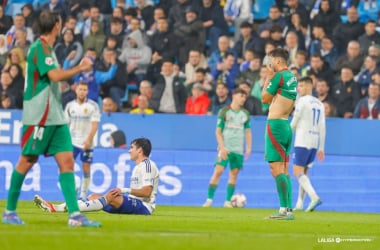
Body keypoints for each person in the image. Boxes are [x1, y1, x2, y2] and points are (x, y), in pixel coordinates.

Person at [1, 10, 100, 227]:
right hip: (38, 116)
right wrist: (80, 68)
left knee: (67, 162)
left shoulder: (48, 48)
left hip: (55, 116)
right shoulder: (39, 48)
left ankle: (75, 216)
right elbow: (54, 76)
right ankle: (9, 212)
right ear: (57, 25)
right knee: (27, 160)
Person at [34, 138, 159, 216]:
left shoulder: (148, 165)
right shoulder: (138, 167)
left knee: (110, 196)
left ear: (140, 150)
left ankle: (58, 209)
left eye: (132, 147)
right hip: (133, 202)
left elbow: (147, 192)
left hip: (144, 207)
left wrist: (124, 190)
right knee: (93, 196)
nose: (129, 151)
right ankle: (55, 207)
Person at [261, 48, 297, 220]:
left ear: (277, 61)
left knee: (276, 168)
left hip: (275, 125)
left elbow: (264, 99)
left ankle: (284, 210)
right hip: (285, 124)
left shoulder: (278, 76)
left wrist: (268, 76)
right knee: (283, 168)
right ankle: (288, 210)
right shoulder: (291, 77)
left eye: (270, 61)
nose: (268, 65)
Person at [203, 88, 252, 208]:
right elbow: (218, 131)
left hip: (238, 149)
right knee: (218, 171)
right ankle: (209, 200)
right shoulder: (224, 112)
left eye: (245, 97)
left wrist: (249, 148)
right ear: (234, 96)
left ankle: (227, 202)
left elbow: (248, 132)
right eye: (241, 96)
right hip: (225, 148)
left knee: (234, 174)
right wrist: (222, 147)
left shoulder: (245, 114)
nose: (243, 99)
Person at [291, 76, 326, 212]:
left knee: (297, 171)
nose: (298, 89)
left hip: (302, 139)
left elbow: (295, 121)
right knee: (304, 172)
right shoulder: (320, 103)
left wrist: (286, 134)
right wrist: (321, 147)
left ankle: (314, 197)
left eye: (300, 86)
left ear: (308, 86)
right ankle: (300, 204)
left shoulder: (302, 101)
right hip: (314, 141)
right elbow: (322, 126)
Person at [64, 82, 101, 200]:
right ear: (76, 90)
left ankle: (83, 195)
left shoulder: (93, 106)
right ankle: (74, 186)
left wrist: (88, 140)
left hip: (87, 142)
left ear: (87, 91)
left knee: (86, 167)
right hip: (72, 141)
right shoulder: (70, 106)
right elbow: (65, 125)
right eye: (80, 89)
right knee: (68, 167)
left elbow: (95, 125)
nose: (82, 92)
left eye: (85, 90)